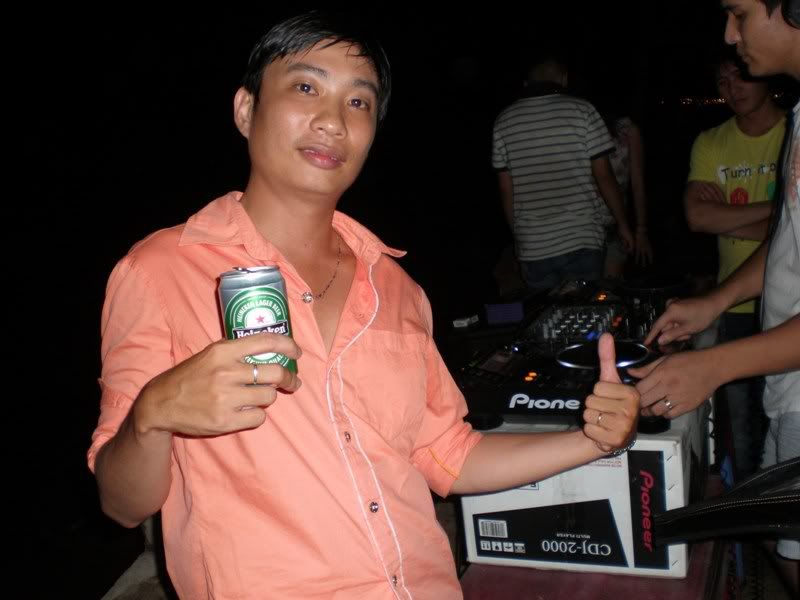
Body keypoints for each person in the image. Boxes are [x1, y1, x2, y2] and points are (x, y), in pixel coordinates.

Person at [89, 13, 639, 599]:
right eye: (306, 87)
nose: (333, 121)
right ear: (246, 110)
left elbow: (449, 455)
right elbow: (122, 503)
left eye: (358, 102)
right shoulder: (160, 271)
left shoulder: (396, 287)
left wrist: (592, 440)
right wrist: (152, 414)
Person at [630, 0, 800, 587]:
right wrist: (716, 302)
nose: (730, 34)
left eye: (739, 13)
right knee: (775, 529)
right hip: (789, 382)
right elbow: (785, 237)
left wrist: (711, 366)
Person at [684, 50, 786, 477]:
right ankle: (747, 509)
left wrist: (730, 216)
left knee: (785, 419)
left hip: (789, 303)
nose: (732, 89)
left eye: (739, 76)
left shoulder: (792, 132)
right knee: (741, 425)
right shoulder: (711, 141)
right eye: (722, 81)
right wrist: (781, 213)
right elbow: (698, 217)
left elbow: (717, 218)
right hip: (735, 302)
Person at [492, 57, 634, 291]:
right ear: (564, 79)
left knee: (547, 311)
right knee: (584, 309)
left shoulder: (504, 121)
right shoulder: (583, 110)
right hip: (582, 237)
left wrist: (519, 237)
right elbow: (604, 177)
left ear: (527, 83)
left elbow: (506, 190)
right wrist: (623, 224)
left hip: (534, 246)